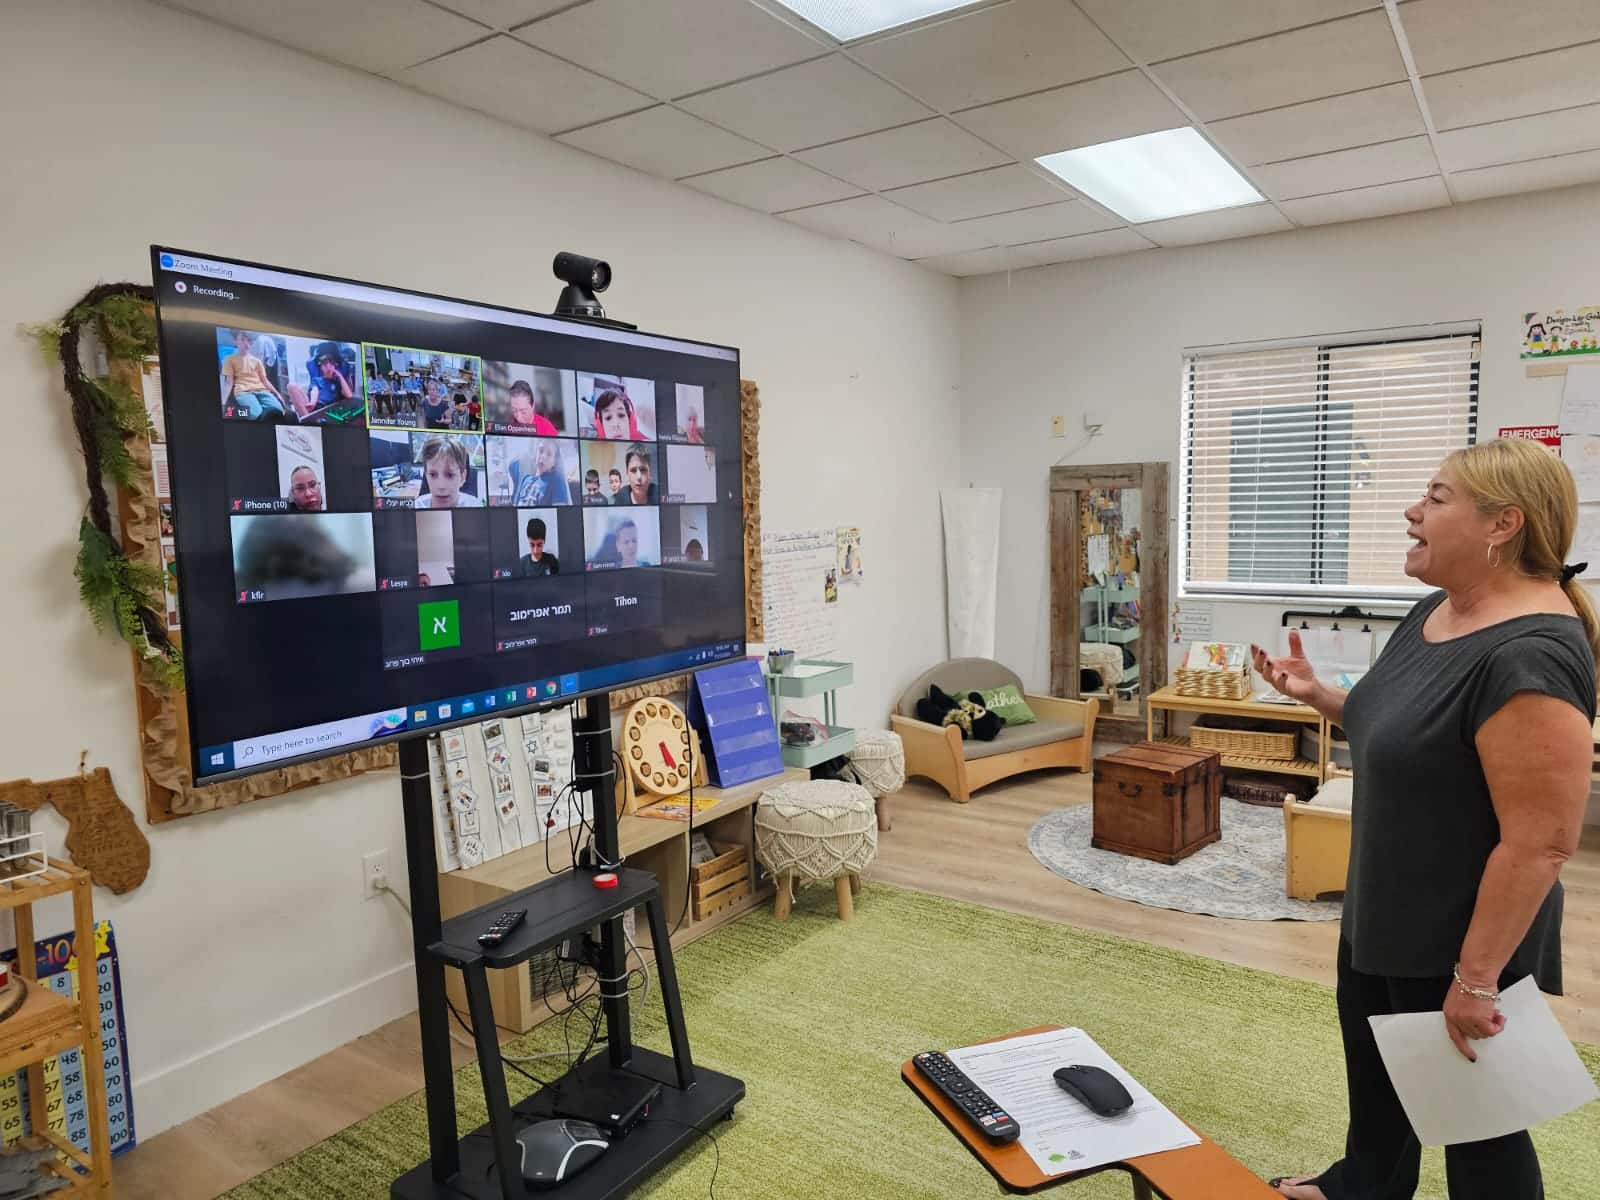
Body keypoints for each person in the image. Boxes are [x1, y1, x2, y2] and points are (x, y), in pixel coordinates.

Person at [1260, 438, 1597, 1200]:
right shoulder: (1435, 612)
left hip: (1458, 943)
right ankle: (1363, 1186)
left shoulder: (1532, 654)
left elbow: (1541, 843)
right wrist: (1321, 696)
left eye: (1437, 499)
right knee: (1380, 1097)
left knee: (1481, 1136)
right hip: (1382, 911)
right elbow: (1409, 729)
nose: (1413, 512)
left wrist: (1475, 980)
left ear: (1503, 524)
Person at [220, 328, 286, 419]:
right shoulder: (229, 360)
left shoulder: (257, 361)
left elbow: (265, 380)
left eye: (249, 340)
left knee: (279, 411)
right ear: (235, 340)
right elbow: (228, 383)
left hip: (261, 390)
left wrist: (277, 394)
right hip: (243, 392)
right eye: (242, 339)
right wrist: (223, 402)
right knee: (256, 415)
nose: (246, 343)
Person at [413, 437, 482, 509]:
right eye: (433, 475)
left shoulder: (476, 507)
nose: (441, 486)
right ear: (426, 476)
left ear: (462, 477)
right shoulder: (416, 506)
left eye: (450, 475)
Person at [293, 349, 357, 422]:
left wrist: (339, 375)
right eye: (325, 365)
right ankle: (307, 419)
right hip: (317, 409)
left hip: (331, 412)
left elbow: (349, 395)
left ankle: (308, 420)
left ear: (334, 367)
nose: (328, 367)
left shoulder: (338, 382)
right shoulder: (317, 380)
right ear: (321, 367)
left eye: (331, 364)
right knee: (291, 386)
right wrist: (312, 403)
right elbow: (314, 391)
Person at [512, 440, 571, 506]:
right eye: (541, 451)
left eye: (549, 454)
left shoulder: (557, 481)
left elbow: (561, 510)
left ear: (554, 462)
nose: (543, 456)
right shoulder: (525, 479)